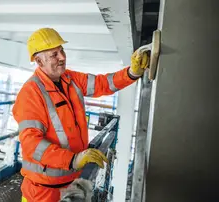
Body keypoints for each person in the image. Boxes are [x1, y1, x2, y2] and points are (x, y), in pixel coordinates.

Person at [12, 28, 149, 202]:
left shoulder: (70, 79)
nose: (62, 57)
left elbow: (102, 83)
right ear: (39, 61)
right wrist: (73, 159)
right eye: (54, 54)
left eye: (62, 51)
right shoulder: (30, 93)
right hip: (43, 193)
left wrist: (132, 73)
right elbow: (32, 145)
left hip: (71, 183)